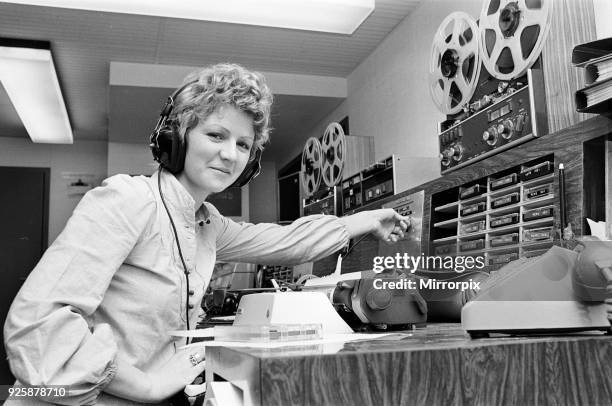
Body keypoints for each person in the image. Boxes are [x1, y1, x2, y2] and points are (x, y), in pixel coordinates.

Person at [3, 63, 410, 405]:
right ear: (177, 136)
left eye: (244, 145)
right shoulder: (127, 200)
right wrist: (148, 386)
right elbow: (37, 327)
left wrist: (367, 219)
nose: (230, 154)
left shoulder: (207, 222)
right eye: (216, 135)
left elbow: (283, 242)